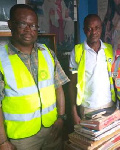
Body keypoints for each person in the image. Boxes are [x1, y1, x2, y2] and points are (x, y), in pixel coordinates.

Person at [0, 4, 69, 150]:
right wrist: (2, 141)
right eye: (23, 24)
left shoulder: (47, 53)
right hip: (22, 139)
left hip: (52, 130)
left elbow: (59, 87)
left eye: (33, 25)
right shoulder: (1, 58)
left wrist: (61, 118)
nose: (28, 30)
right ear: (10, 25)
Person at [69, 14, 115, 125]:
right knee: (90, 141)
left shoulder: (109, 50)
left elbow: (114, 78)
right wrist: (74, 112)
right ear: (84, 30)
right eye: (89, 29)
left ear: (101, 28)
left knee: (108, 140)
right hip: (87, 108)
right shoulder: (77, 51)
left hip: (109, 105)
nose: (93, 32)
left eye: (97, 28)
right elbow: (72, 84)